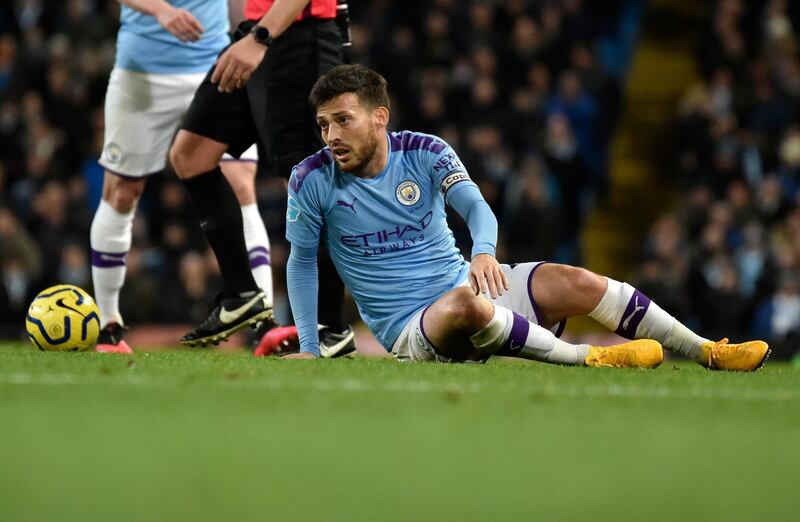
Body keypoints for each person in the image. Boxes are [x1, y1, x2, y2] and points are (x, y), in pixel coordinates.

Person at [282, 64, 770, 372]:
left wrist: (483, 252)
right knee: (463, 306)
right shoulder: (311, 180)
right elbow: (302, 261)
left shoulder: (426, 152)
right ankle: (593, 358)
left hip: (465, 284)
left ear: (380, 117)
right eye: (324, 124)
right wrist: (308, 344)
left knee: (573, 280)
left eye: (343, 120)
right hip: (413, 327)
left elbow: (475, 207)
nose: (331, 135)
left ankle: (708, 350)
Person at [169, 0, 355, 357]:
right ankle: (242, 293)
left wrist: (261, 37)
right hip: (254, 36)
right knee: (190, 155)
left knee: (308, 185)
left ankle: (330, 328)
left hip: (294, 37)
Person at [91, 0, 275, 353]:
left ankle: (262, 323)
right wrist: (160, 9)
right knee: (121, 192)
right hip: (142, 72)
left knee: (240, 185)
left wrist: (250, 38)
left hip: (215, 64)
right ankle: (109, 325)